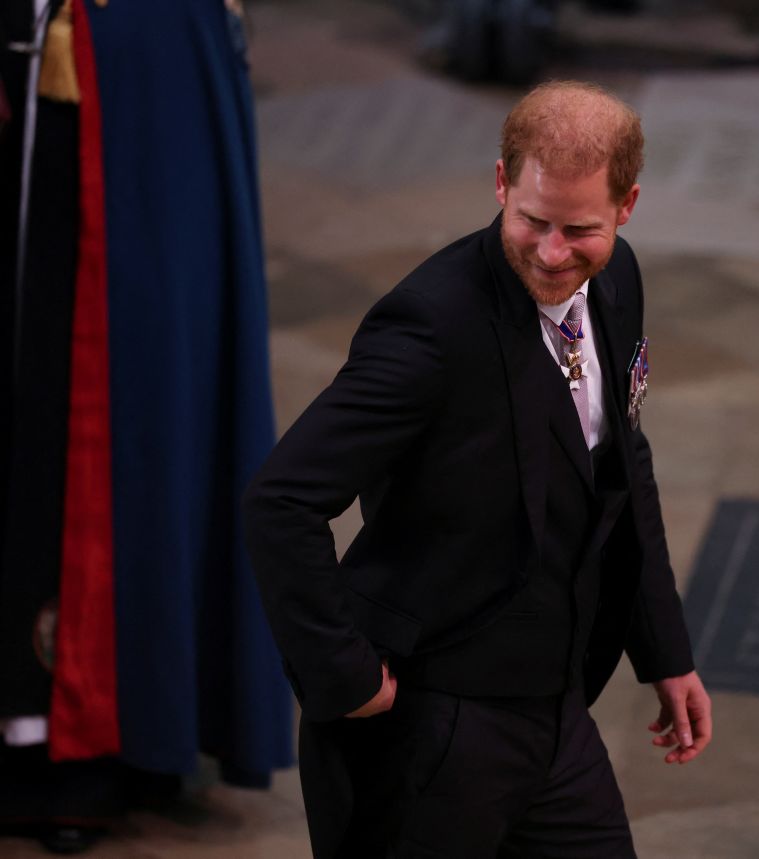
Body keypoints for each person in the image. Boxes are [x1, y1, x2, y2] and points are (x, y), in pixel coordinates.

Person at [243, 80, 712, 859]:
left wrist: (666, 650)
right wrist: (346, 676)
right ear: (501, 183)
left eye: (580, 229)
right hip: (432, 726)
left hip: (558, 715)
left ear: (627, 207)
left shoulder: (617, 280)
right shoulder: (430, 328)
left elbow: (625, 466)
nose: (554, 253)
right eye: (532, 220)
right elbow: (280, 500)